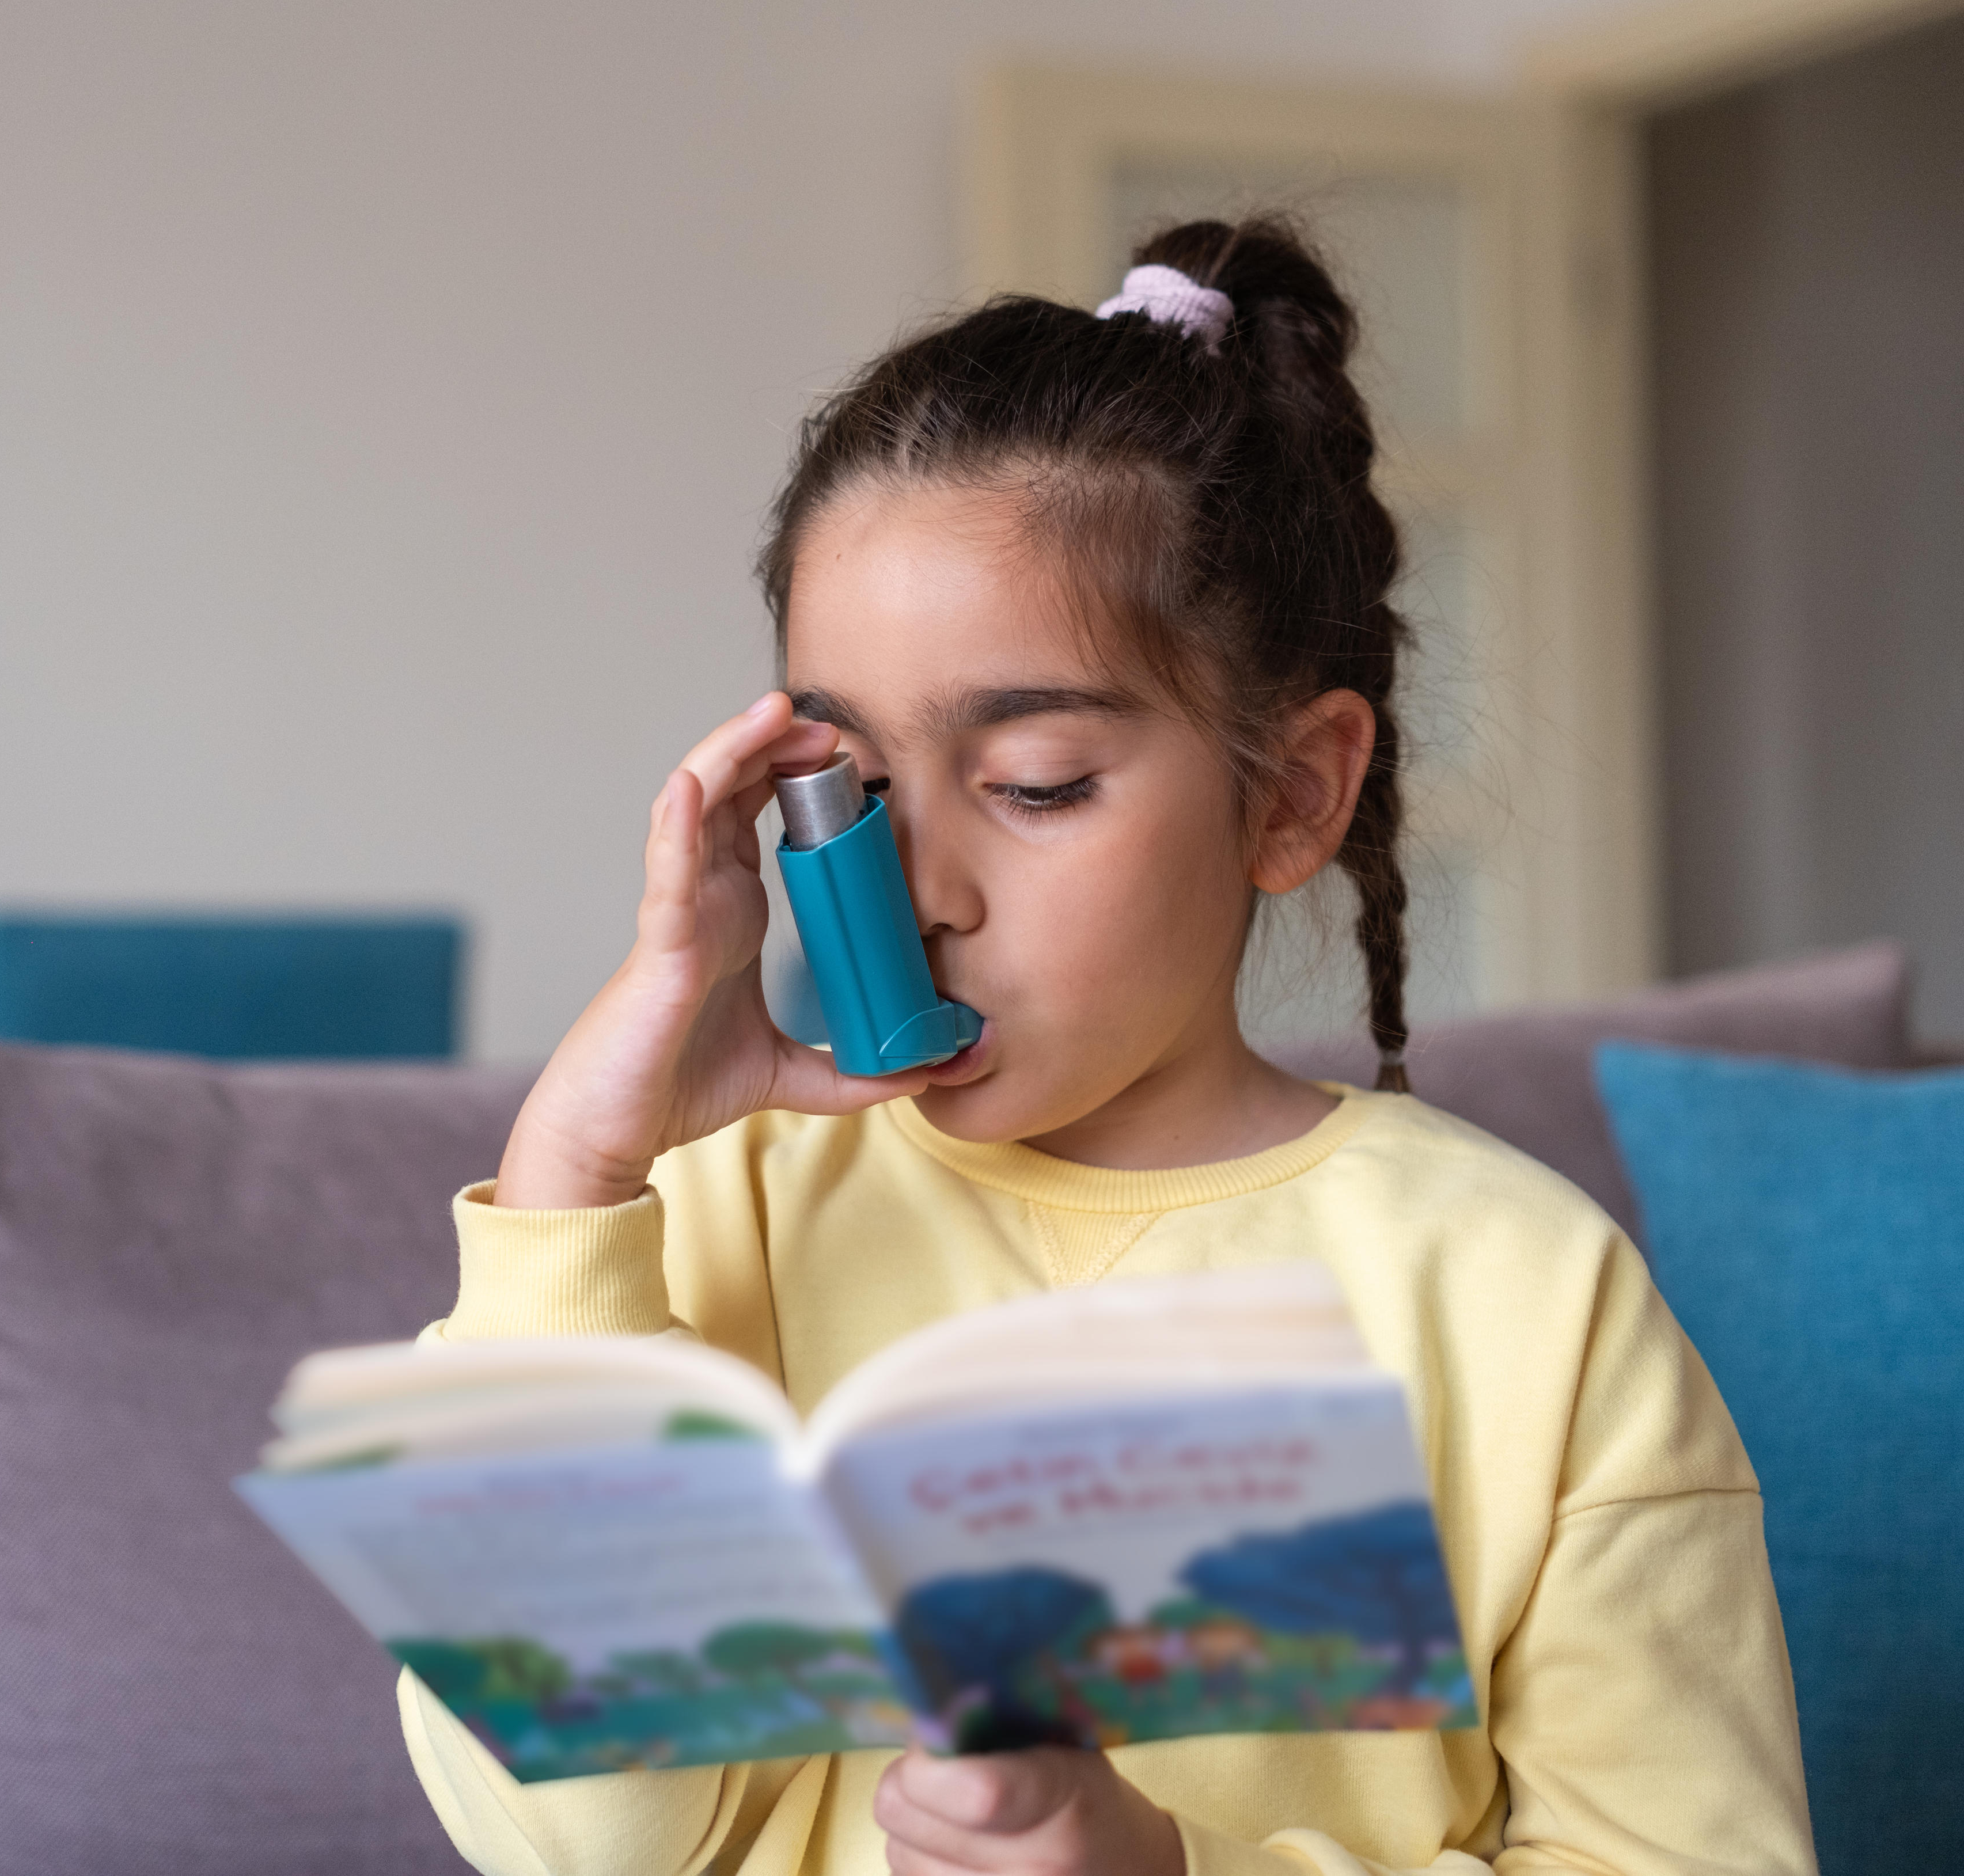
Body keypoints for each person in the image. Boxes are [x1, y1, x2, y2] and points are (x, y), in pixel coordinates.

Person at [399, 216, 1816, 1876]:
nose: (914, 893)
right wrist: (571, 1190)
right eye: (842, 789)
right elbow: (581, 1843)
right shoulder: (709, 1221)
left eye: (1039, 785)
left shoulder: (1523, 1299)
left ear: (1292, 794)